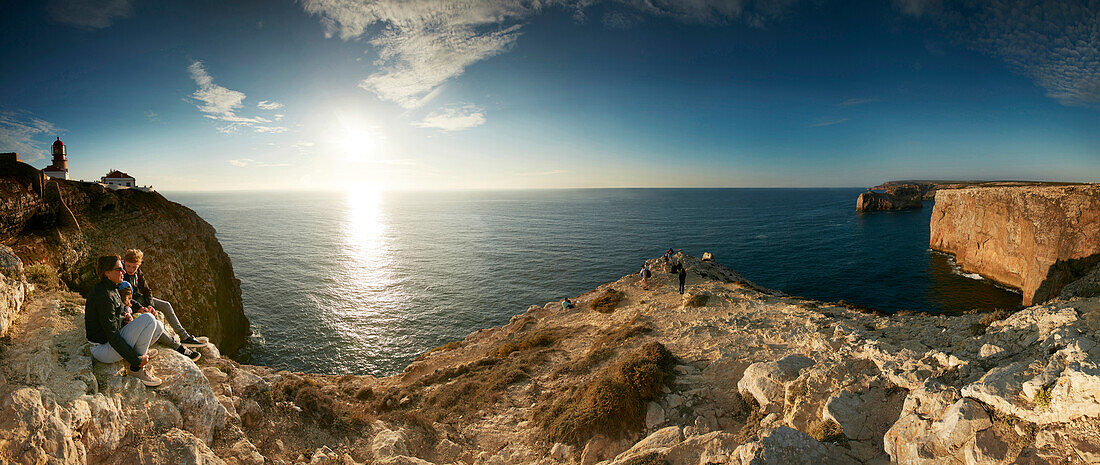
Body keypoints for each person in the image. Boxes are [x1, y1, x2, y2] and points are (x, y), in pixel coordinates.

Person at [122, 249, 207, 348]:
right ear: (124, 262)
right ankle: (172, 342)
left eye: (134, 267)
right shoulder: (121, 274)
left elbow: (146, 290)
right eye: (128, 266)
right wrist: (141, 307)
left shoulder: (138, 273)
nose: (131, 269)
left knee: (166, 305)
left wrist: (150, 305)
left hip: (139, 299)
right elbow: (123, 297)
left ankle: (185, 337)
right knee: (154, 319)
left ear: (139, 265)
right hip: (129, 303)